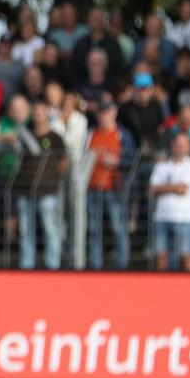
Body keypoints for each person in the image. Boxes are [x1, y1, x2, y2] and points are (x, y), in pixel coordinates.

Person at [15, 103, 66, 270]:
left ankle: (53, 266)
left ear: (47, 115)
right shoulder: (25, 136)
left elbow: (63, 162)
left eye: (41, 112)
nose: (37, 115)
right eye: (35, 112)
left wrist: (51, 178)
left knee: (51, 230)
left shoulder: (55, 138)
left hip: (48, 190)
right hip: (25, 189)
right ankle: (27, 265)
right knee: (25, 231)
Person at [86, 104, 130, 270]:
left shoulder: (122, 135)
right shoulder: (90, 134)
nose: (103, 115)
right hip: (92, 186)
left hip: (114, 188)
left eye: (106, 112)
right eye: (101, 112)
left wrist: (117, 161)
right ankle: (95, 266)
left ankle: (122, 266)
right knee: (93, 229)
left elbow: (132, 159)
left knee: (119, 228)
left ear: (114, 112)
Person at [149, 133, 190, 271]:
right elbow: (152, 189)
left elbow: (182, 189)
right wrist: (174, 186)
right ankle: (161, 291)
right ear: (172, 145)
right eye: (177, 145)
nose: (179, 148)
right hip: (162, 218)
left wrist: (163, 187)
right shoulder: (162, 165)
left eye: (182, 145)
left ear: (188, 147)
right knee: (161, 258)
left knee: (186, 258)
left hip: (184, 219)